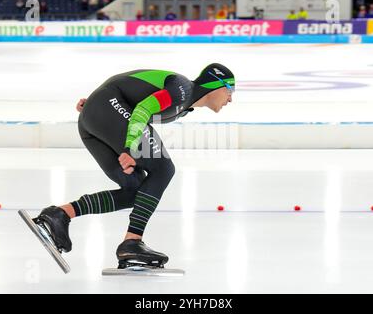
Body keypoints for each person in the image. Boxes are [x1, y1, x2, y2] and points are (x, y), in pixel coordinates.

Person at [32, 64, 235, 269]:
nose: (230, 99)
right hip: (104, 111)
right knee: (164, 168)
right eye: (230, 91)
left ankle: (60, 214)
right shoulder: (182, 91)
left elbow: (128, 88)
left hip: (96, 117)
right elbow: (143, 109)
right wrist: (129, 147)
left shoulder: (184, 106)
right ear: (217, 85)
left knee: (137, 191)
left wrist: (96, 106)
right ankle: (132, 242)